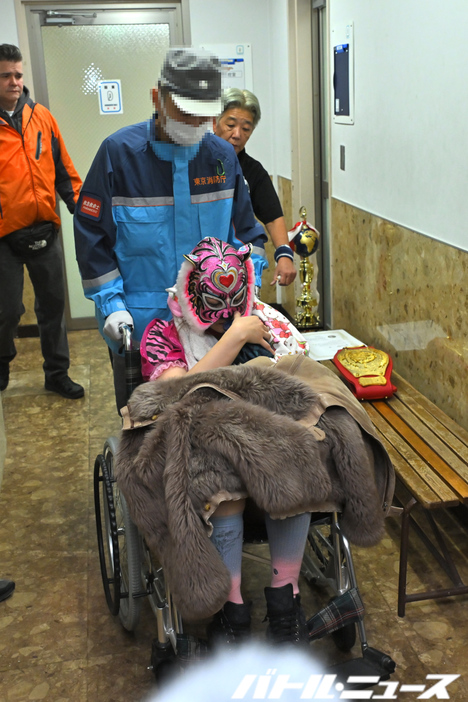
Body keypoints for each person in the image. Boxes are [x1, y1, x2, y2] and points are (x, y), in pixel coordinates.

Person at [74, 47, 268, 412]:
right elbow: (92, 236)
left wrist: (247, 289)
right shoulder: (118, 155)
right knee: (148, 428)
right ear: (156, 98)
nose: (194, 125)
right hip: (141, 321)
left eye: (203, 117)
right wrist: (112, 307)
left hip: (214, 325)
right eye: (184, 113)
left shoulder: (221, 158)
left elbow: (247, 235)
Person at [140, 236, 310, 646]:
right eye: (214, 321)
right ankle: (231, 604)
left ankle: (286, 595)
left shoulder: (262, 319)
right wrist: (232, 338)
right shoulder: (162, 333)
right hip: (202, 445)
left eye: (230, 319)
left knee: (297, 464)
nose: (221, 324)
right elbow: (172, 393)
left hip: (268, 436)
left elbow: (299, 371)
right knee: (224, 482)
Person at [0, 44, 84, 400]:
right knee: (7, 310)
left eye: (18, 75)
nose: (15, 82)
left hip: (46, 230)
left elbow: (64, 172)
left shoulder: (42, 117)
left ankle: (57, 373)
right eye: (6, 75)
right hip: (4, 237)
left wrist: (83, 212)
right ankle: (2, 365)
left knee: (52, 307)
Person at [214, 88, 297, 287]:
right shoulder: (194, 162)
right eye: (230, 125)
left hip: (243, 270)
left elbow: (273, 215)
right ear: (214, 122)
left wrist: (284, 254)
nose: (237, 135)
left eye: (246, 129)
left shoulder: (253, 171)